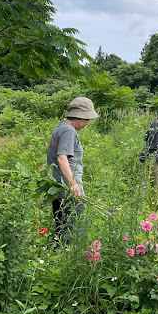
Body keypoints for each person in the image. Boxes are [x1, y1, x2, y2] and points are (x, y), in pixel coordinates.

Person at [47, 96, 98, 244]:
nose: (87, 123)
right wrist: (73, 183)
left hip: (58, 186)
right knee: (72, 228)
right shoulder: (69, 131)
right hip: (68, 189)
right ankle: (68, 258)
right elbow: (62, 158)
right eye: (87, 119)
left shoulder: (60, 127)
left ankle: (57, 257)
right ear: (79, 116)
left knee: (61, 228)